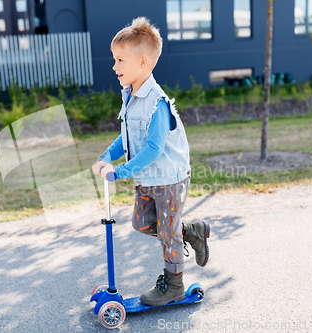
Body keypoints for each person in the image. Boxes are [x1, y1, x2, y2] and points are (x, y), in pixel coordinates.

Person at [91, 17, 210, 306]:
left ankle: (174, 286)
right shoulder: (130, 96)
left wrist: (119, 171)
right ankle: (191, 231)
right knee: (142, 224)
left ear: (142, 62)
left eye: (120, 60)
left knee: (168, 235)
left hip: (168, 178)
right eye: (114, 60)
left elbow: (154, 148)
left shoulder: (156, 102)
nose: (114, 67)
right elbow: (129, 137)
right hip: (147, 178)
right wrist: (107, 156)